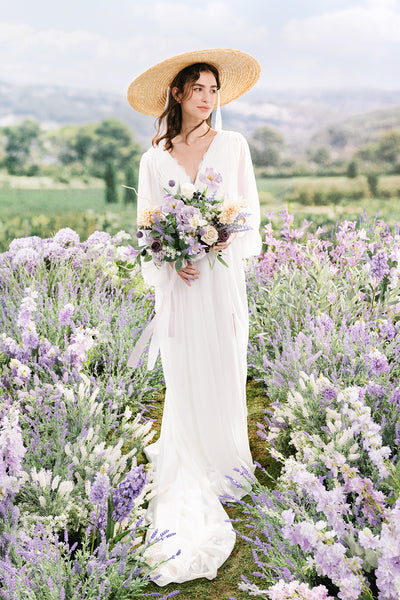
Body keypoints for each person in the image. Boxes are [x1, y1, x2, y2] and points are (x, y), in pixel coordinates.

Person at [127, 48, 262, 586]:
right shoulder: (155, 158)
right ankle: (190, 450)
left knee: (225, 358)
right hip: (180, 285)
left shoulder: (232, 146)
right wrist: (173, 257)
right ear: (178, 95)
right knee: (184, 365)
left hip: (220, 278)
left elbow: (247, 214)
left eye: (214, 90)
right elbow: (147, 227)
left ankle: (226, 456)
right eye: (198, 88)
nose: (207, 98)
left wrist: (216, 243)